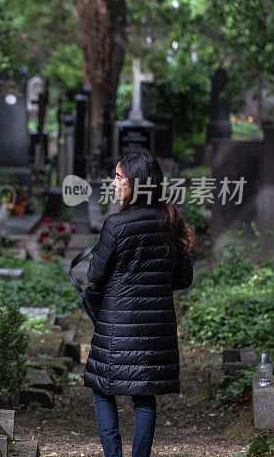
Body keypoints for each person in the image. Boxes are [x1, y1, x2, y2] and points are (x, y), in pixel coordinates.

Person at [84, 148, 194, 457]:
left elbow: (95, 274)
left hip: (118, 322)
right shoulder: (173, 220)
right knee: (144, 395)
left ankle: (113, 454)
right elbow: (183, 279)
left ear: (137, 183)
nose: (114, 182)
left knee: (102, 387)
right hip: (157, 323)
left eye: (119, 177)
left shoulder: (116, 225)